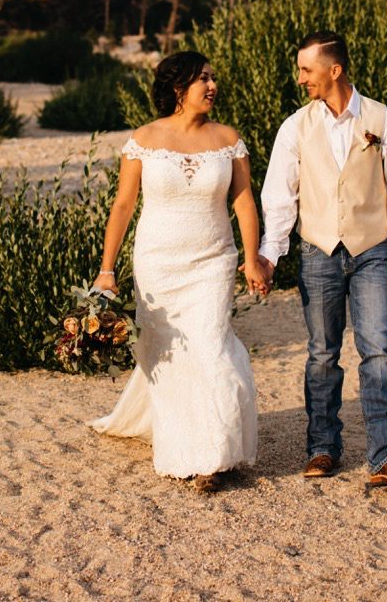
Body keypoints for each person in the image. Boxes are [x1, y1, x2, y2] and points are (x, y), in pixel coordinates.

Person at [89, 51, 271, 492]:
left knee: (211, 347)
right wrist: (106, 269)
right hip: (157, 263)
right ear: (177, 89)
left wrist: (251, 257)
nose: (212, 86)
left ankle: (215, 457)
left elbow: (244, 202)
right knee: (166, 356)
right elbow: (123, 205)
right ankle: (188, 449)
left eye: (212, 78)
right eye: (202, 79)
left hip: (212, 261)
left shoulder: (228, 138)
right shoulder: (144, 139)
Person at [257, 30, 387, 487]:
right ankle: (322, 448)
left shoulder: (380, 118)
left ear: (334, 70)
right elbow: (279, 197)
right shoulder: (295, 127)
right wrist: (270, 254)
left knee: (378, 352)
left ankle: (386, 456)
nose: (300, 79)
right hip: (317, 251)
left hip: (373, 250)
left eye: (306, 70)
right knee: (321, 355)